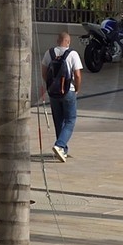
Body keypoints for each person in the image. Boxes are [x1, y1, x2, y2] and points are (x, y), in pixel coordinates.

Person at [39, 29, 83, 161]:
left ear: (58, 41)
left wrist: (51, 85)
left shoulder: (49, 53)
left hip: (53, 92)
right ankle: (60, 145)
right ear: (68, 42)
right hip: (68, 90)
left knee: (58, 121)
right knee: (70, 120)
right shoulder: (72, 54)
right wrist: (77, 89)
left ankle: (62, 150)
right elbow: (78, 75)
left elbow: (44, 72)